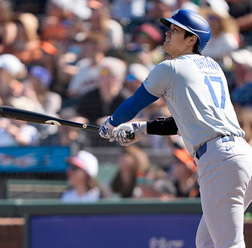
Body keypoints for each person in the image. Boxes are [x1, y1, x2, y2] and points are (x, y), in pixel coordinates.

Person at [99, 9, 252, 248]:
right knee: (206, 242)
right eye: (169, 28)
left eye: (175, 30)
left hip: (219, 159)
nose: (167, 33)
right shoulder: (212, 66)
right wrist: (142, 128)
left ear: (192, 40)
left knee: (228, 244)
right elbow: (188, 122)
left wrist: (110, 124)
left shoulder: (170, 68)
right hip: (240, 155)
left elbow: (133, 104)